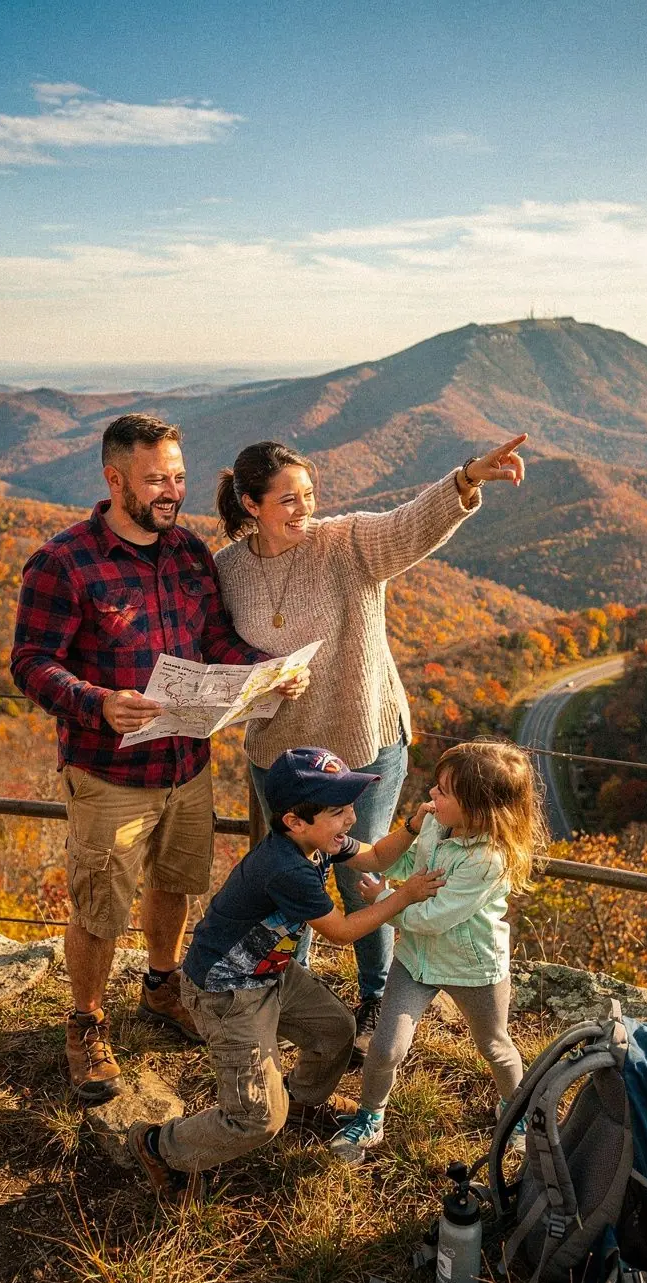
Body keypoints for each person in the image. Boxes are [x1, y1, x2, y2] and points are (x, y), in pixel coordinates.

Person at [10, 413, 306, 1103]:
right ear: (114, 479)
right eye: (154, 479)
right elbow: (30, 663)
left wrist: (268, 670)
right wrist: (96, 702)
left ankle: (161, 986)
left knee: (175, 884)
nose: (171, 491)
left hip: (186, 764)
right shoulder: (64, 561)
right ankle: (85, 1022)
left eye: (177, 475)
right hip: (108, 770)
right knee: (99, 909)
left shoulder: (189, 554)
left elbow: (216, 641)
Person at [214, 434, 528, 1062]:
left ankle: (376, 996)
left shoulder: (346, 542)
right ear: (250, 504)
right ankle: (282, 994)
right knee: (289, 871)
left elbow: (411, 526)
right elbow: (219, 650)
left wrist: (466, 478)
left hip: (363, 739)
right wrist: (259, 672)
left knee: (364, 873)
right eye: (287, 501)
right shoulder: (226, 570)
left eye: (309, 495)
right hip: (281, 750)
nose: (304, 509)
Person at [126, 746, 446, 1206]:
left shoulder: (317, 842)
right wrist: (405, 896)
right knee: (255, 1119)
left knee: (335, 1029)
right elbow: (340, 932)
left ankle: (299, 1101)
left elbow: (376, 857)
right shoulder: (287, 867)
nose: (350, 819)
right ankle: (159, 1147)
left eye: (348, 807)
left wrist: (413, 827)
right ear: (295, 821)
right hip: (226, 992)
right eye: (338, 811)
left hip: (271, 971)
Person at [330, 740, 549, 1164]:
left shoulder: (488, 859)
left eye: (444, 791)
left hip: (473, 967)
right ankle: (370, 1118)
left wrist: (383, 901)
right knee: (386, 1047)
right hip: (415, 960)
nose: (431, 794)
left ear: (479, 809)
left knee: (494, 1045)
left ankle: (516, 1112)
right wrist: (361, 857)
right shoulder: (435, 824)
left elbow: (432, 916)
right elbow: (409, 867)